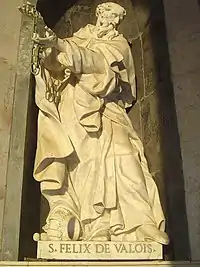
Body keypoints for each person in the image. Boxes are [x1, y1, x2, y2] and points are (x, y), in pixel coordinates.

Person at [33, 2, 169, 244]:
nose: (112, 20)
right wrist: (47, 52)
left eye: (117, 17)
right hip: (73, 114)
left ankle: (140, 222)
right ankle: (97, 228)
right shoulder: (79, 38)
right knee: (84, 169)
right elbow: (57, 68)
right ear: (99, 14)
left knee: (126, 158)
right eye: (109, 14)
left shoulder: (118, 44)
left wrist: (59, 45)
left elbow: (99, 65)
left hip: (107, 111)